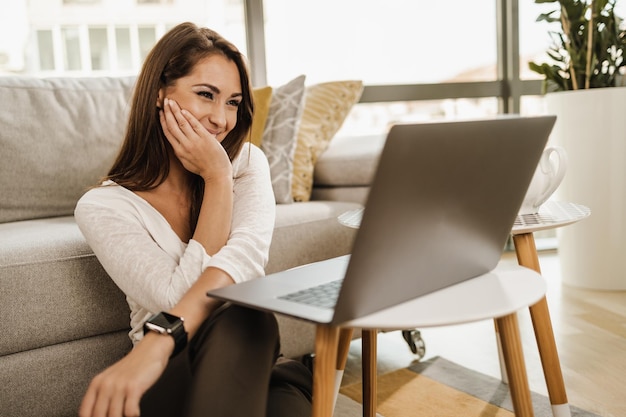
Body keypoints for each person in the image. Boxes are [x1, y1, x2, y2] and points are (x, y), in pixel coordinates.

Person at [75, 22, 312, 417]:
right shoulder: (104, 206)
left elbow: (246, 261)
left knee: (248, 322)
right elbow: (174, 299)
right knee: (241, 315)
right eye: (206, 95)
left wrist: (219, 175)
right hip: (171, 374)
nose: (221, 119)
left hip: (245, 361)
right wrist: (217, 180)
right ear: (158, 94)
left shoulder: (247, 163)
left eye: (233, 102)